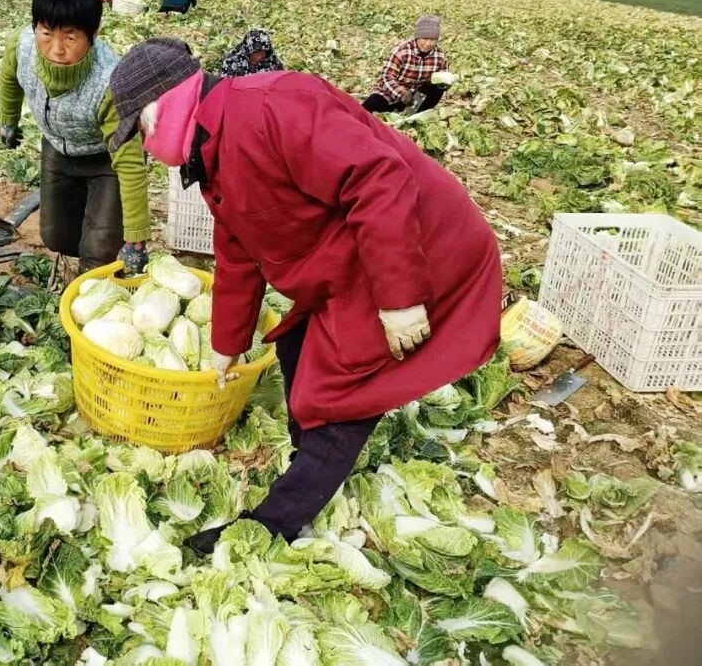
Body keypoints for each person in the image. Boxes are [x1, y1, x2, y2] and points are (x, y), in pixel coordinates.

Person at [106, 38, 502, 553]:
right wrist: (229, 341)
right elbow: (238, 249)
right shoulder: (214, 149)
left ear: (161, 112)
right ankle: (308, 458)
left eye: (138, 131)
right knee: (295, 347)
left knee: (344, 392)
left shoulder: (271, 106)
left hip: (421, 248)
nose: (143, 145)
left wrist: (400, 298)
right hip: (353, 259)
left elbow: (379, 179)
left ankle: (275, 524)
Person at [0, 0, 151, 275]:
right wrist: (8, 120)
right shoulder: (21, 46)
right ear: (35, 28)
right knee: (56, 235)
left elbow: (130, 163)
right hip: (58, 148)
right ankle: (83, 250)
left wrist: (136, 238)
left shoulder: (111, 83)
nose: (56, 49)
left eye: (70, 37)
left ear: (94, 35)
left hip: (106, 160)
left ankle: (89, 295)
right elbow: (9, 78)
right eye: (46, 33)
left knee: (100, 250)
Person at [362, 15, 449, 114]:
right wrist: (402, 93)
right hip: (392, 93)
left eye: (432, 40)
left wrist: (445, 84)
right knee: (367, 108)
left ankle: (413, 113)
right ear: (417, 37)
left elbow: (441, 77)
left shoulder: (440, 56)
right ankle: (397, 110)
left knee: (437, 86)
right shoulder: (402, 50)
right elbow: (386, 77)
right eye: (425, 39)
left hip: (416, 98)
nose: (428, 43)